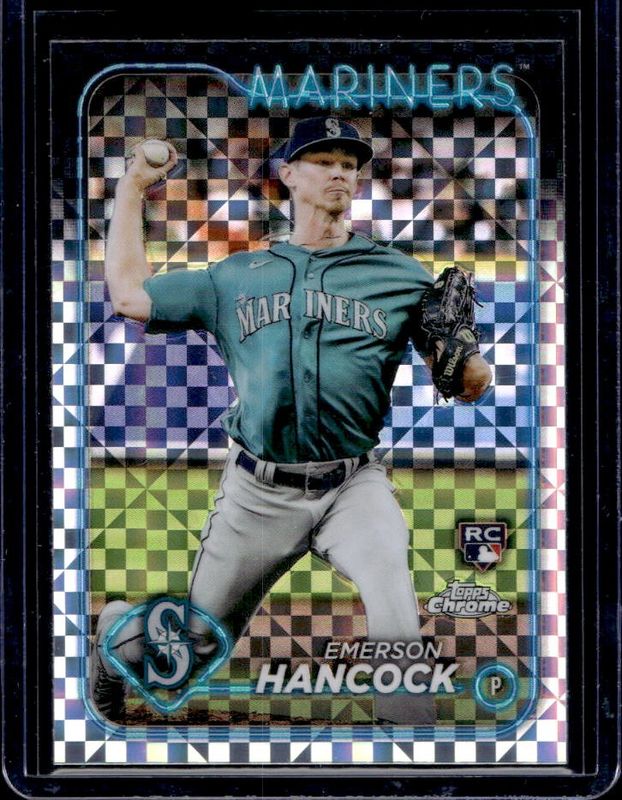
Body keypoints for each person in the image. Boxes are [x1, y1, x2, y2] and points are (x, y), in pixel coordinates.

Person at [92, 116, 492, 725]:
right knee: (191, 649)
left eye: (349, 164)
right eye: (323, 161)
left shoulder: (402, 276)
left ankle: (411, 743)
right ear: (288, 175)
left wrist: (469, 364)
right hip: (258, 492)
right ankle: (115, 636)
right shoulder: (234, 278)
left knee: (392, 594)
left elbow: (465, 381)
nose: (339, 173)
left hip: (353, 484)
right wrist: (131, 190)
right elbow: (129, 296)